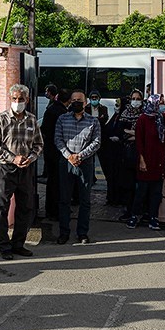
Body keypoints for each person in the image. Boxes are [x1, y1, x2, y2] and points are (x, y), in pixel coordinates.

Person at [0, 84, 43, 260]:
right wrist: (13, 158)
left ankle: (18, 244)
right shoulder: (1, 119)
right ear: (10, 99)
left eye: (21, 99)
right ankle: (4, 246)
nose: (17, 102)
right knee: (2, 207)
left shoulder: (31, 120)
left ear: (26, 100)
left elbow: (38, 144)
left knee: (25, 206)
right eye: (14, 99)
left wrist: (30, 158)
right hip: (6, 168)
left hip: (25, 168)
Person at [126, 94, 165, 230]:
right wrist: (141, 160)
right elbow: (139, 141)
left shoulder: (160, 117)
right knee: (141, 191)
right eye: (161, 103)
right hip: (146, 160)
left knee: (156, 192)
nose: (163, 105)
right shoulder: (143, 119)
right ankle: (134, 216)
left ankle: (153, 217)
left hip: (159, 160)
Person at [54, 89, 101, 244]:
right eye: (73, 100)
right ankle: (64, 232)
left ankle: (82, 233)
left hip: (85, 163)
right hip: (66, 162)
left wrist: (79, 156)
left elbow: (96, 142)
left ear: (85, 102)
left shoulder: (93, 121)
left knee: (85, 200)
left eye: (79, 100)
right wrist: (69, 156)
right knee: (64, 199)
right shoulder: (62, 119)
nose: (76, 103)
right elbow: (57, 139)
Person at [40, 86, 70, 220]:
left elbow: (44, 129)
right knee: (58, 182)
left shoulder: (51, 109)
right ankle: (55, 211)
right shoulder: (63, 113)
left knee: (52, 181)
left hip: (50, 150)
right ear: (68, 100)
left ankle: (50, 210)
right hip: (58, 151)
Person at [116, 89, 144, 221]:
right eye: (134, 98)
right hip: (127, 154)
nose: (136, 101)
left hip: (141, 154)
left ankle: (138, 211)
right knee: (128, 184)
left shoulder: (145, 114)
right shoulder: (125, 113)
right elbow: (120, 131)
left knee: (140, 184)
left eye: (139, 99)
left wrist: (133, 133)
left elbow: (144, 134)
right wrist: (134, 133)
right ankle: (128, 210)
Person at [101, 98, 126, 206]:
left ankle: (118, 198)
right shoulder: (115, 117)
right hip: (111, 151)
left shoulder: (124, 118)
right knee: (111, 175)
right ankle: (111, 197)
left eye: (118, 105)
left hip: (119, 153)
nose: (116, 106)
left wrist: (119, 138)